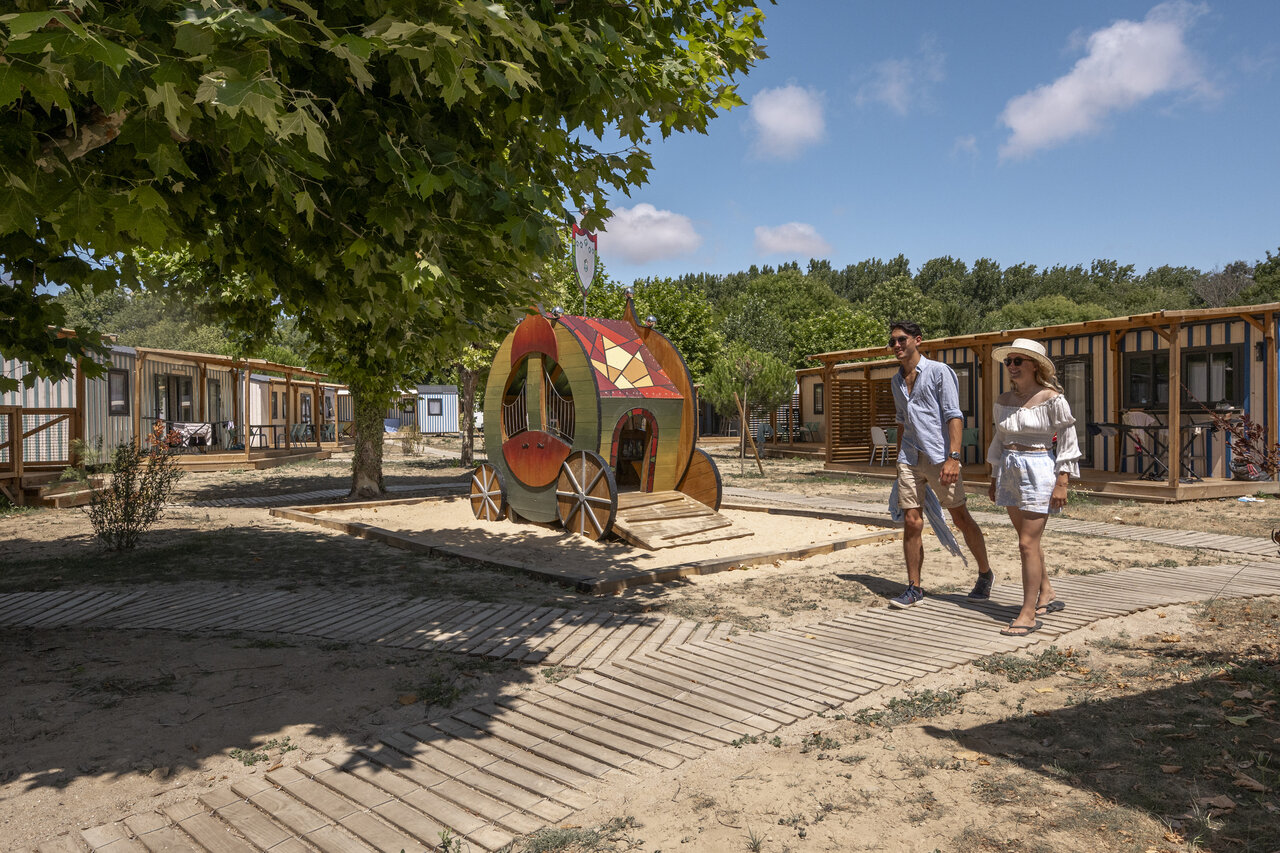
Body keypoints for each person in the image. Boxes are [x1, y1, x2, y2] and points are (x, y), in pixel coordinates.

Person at [887, 321, 994, 609]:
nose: (896, 345)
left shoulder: (939, 372)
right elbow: (901, 421)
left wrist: (953, 458)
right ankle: (914, 587)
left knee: (960, 517)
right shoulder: (896, 381)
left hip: (940, 457)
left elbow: (953, 415)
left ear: (917, 340)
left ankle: (985, 573)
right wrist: (898, 460)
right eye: (892, 341)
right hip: (909, 458)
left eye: (901, 339)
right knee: (911, 521)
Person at [985, 337, 1082, 636]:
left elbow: (1068, 440)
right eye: (1008, 361)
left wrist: (1062, 482)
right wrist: (994, 476)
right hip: (1010, 470)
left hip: (1039, 469)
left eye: (1018, 361)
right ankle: (1046, 591)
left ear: (1036, 365)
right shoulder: (1003, 400)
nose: (1011, 366)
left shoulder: (1052, 398)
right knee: (1028, 541)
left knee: (1027, 544)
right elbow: (999, 440)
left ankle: (1027, 614)